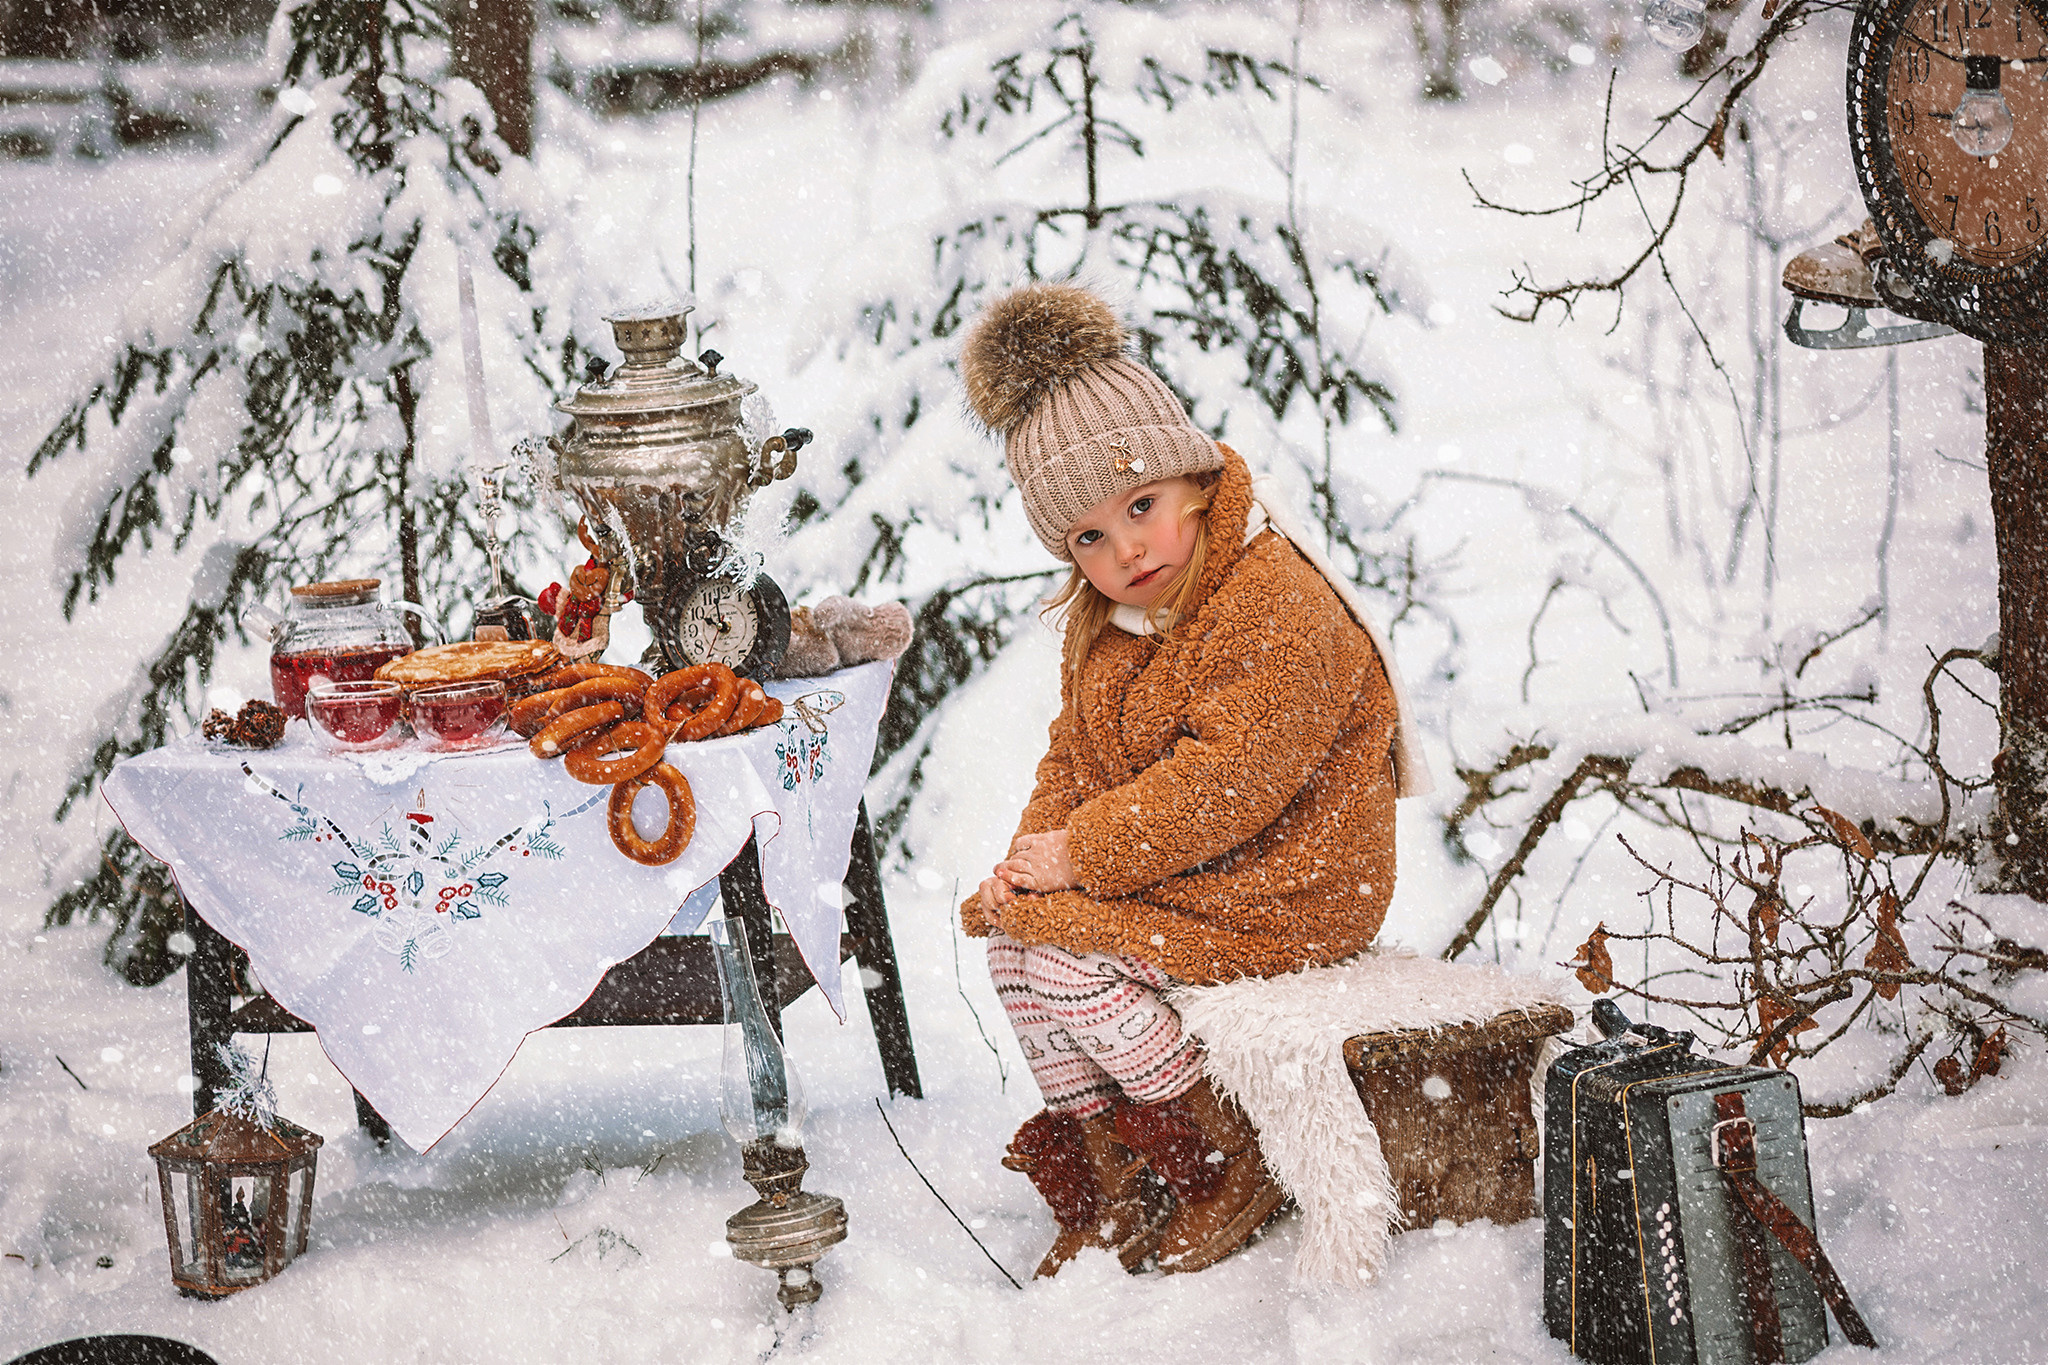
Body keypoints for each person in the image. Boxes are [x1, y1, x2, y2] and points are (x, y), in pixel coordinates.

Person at [957, 282, 1431, 1278]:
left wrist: (1079, 854)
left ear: (1195, 483)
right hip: (1197, 869)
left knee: (1070, 971)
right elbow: (1073, 757)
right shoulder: (1119, 621)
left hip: (1288, 882)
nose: (1124, 549)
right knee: (1014, 948)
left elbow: (1228, 781)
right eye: (1088, 536)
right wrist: (1027, 861)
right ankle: (1111, 1163)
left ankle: (1217, 1154)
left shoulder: (1271, 601)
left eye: (1140, 507)